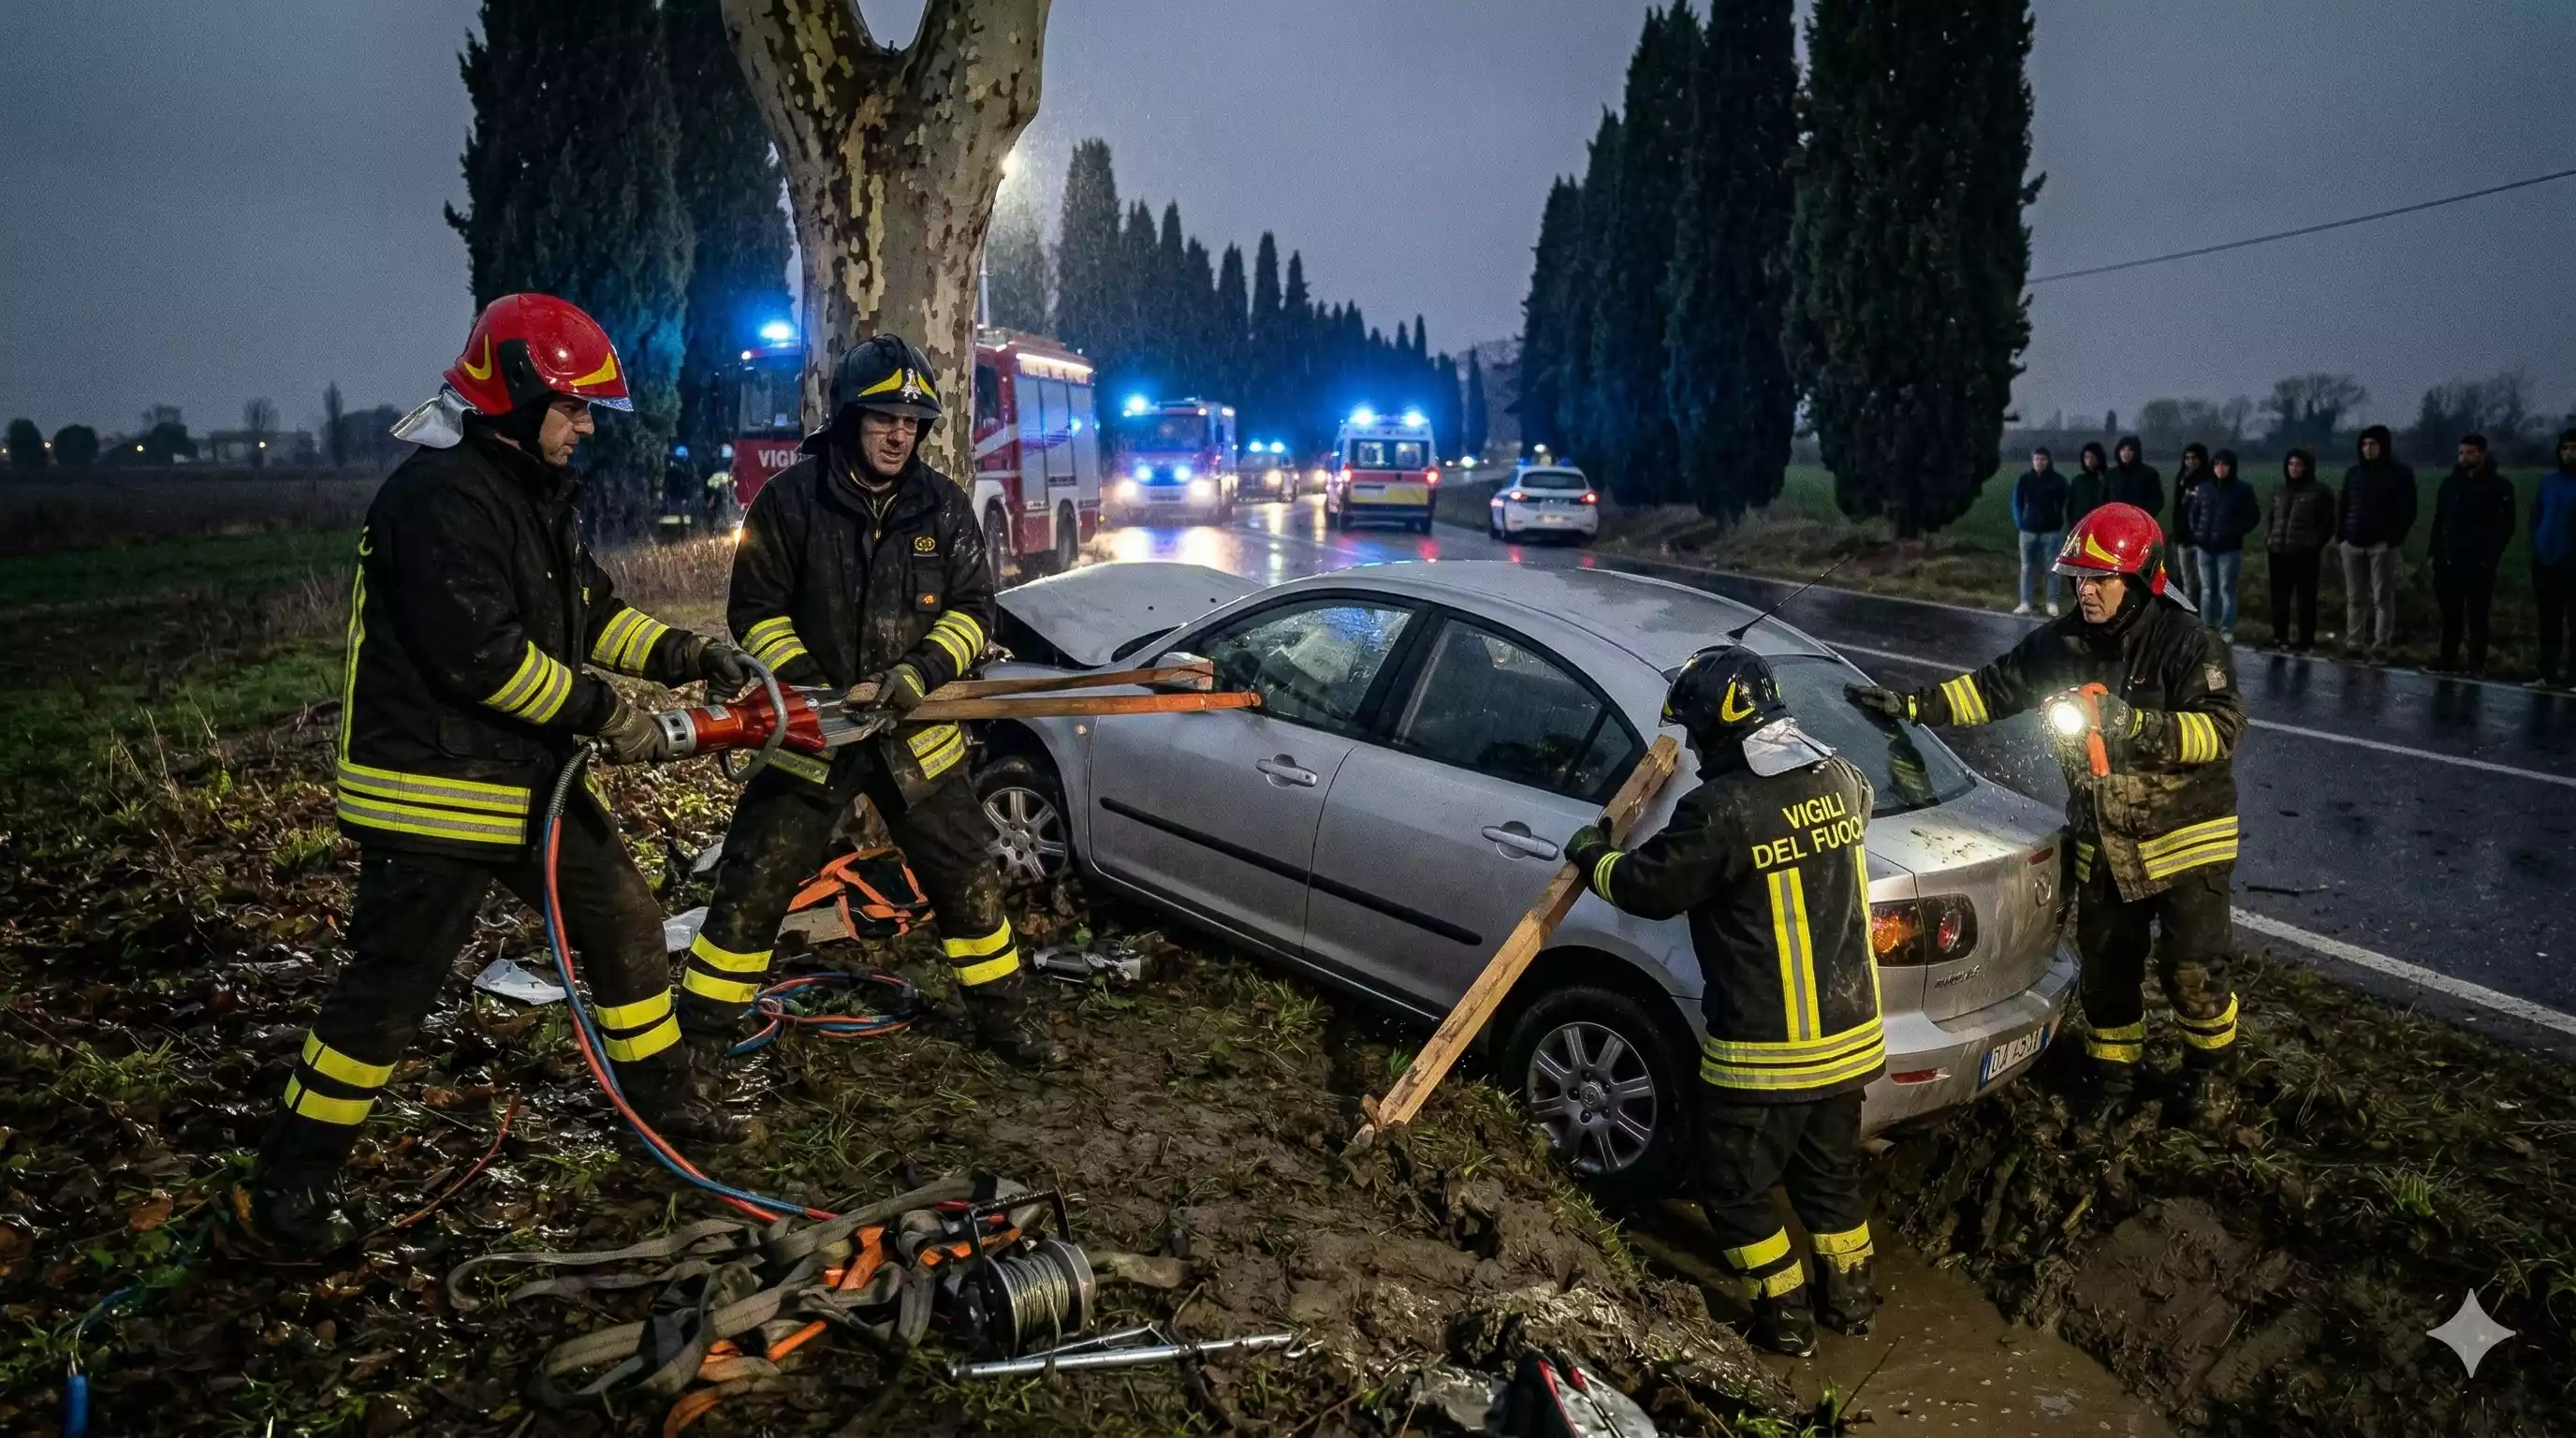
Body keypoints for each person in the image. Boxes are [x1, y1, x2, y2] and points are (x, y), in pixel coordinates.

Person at [231, 295, 754, 1259]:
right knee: (389, 993)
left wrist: (686, 656)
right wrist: (610, 716)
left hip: (521, 779)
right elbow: (485, 658)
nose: (588, 427)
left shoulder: (529, 496)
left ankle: (665, 1113)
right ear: (515, 396)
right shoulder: (435, 503)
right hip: (431, 788)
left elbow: (589, 615)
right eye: (576, 408)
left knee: (627, 919)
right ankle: (286, 1193)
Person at [679, 332, 1064, 1085]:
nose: (899, 434)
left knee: (968, 884)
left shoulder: (943, 506)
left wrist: (919, 674)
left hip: (916, 740)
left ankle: (1007, 1020)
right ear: (848, 418)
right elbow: (753, 611)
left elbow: (974, 610)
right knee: (752, 887)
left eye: (913, 422)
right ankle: (697, 1045)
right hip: (811, 738)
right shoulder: (790, 501)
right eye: (884, 417)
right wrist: (808, 689)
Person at [1847, 504, 2245, 1130]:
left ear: (2140, 579)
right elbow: (1993, 688)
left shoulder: (2187, 642)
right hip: (2105, 842)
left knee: (2190, 968)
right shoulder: (2064, 644)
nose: (2084, 590)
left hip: (2184, 840)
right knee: (2108, 970)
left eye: (2099, 580)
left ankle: (2208, 1073)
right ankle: (2115, 1075)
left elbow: (2221, 732)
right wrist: (1911, 706)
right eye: (2077, 579)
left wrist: (2134, 724)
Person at [1563, 649, 1881, 1357]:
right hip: (1851, 1041)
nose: (1698, 749)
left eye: (1700, 732)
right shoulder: (1841, 776)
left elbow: (1648, 889)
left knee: (1731, 1186)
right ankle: (1853, 1304)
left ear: (1721, 726)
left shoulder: (1723, 809)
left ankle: (1788, 1318)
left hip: (1767, 1053)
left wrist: (1593, 854)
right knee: (1829, 1181)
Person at [2427, 433, 2518, 677]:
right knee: (2450, 614)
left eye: (2469, 452)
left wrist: (2488, 558)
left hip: (2478, 561)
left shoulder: (2499, 487)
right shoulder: (2450, 484)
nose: (2463, 457)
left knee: (2477, 615)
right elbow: (2439, 521)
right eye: (2461, 453)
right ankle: (2448, 660)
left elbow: (2506, 526)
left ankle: (2476, 664)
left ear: (2482, 454)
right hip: (2449, 560)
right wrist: (2435, 553)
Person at [2337, 424, 2417, 663]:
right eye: (2364, 444)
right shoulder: (2353, 473)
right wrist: (2341, 535)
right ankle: (2354, 644)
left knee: (2382, 597)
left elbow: (2408, 510)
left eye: (2372, 444)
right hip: (2352, 543)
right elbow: (2343, 504)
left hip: (2381, 545)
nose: (2367, 449)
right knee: (2354, 597)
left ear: (2383, 446)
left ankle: (2380, 645)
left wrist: (2393, 540)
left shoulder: (2400, 474)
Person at [2263, 448, 2335, 652]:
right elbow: (2271, 517)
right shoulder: (2279, 490)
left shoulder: (2319, 491)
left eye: (2299, 465)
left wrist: (2314, 545)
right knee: (2279, 597)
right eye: (2291, 464)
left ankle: (2306, 640)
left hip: (2305, 554)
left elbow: (2328, 523)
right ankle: (2280, 637)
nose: (2294, 468)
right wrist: (2269, 539)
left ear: (2307, 467)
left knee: (2306, 598)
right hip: (2278, 551)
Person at [2184, 448, 2260, 640]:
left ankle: (2226, 628)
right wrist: (2198, 533)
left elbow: (2253, 516)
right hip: (2205, 547)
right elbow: (2194, 513)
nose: (2221, 468)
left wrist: (2235, 531)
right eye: (2217, 464)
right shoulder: (2204, 488)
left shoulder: (2242, 490)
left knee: (2227, 589)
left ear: (2232, 467)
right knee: (2208, 589)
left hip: (2229, 548)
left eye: (2225, 464)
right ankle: (2207, 625)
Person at [2530, 429, 2576, 688]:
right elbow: (2537, 515)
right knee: (2548, 621)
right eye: (2566, 448)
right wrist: (2536, 545)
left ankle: (2573, 676)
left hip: (2572, 563)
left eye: (2575, 448)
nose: (2570, 453)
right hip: (2545, 562)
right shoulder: (2549, 482)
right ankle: (2547, 673)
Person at [2012, 446, 2070, 617]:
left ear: (2049, 461)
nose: (2039, 462)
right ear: (2032, 460)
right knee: (2027, 569)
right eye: (2036, 459)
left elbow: (2065, 503)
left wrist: (2058, 519)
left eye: (2043, 459)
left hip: (2051, 533)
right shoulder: (2025, 480)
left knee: (2052, 569)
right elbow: (2017, 502)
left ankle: (2051, 603)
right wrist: (2020, 522)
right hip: (2027, 532)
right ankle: (2025, 603)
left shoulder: (2059, 481)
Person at [2168, 444, 2211, 606]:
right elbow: (2177, 507)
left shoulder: (2208, 480)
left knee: (2202, 581)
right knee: (2186, 580)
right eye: (2187, 458)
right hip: (2183, 536)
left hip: (2200, 539)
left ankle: (2203, 615)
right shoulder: (2181, 478)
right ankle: (2189, 614)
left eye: (2194, 458)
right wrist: (2177, 531)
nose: (2190, 462)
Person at [2107, 435, 2163, 521]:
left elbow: (2157, 500)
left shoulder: (2150, 474)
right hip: (2115, 522)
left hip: (2140, 522)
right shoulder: (2110, 474)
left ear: (2136, 452)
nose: (2126, 453)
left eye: (2130, 450)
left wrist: (2144, 516)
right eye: (2123, 450)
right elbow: (2103, 499)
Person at [2067, 441, 2111, 530]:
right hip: (2081, 526)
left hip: (2101, 527)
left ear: (2099, 459)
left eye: (2092, 457)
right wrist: (2073, 524)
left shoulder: (2107, 479)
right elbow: (2070, 506)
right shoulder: (2078, 480)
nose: (2089, 460)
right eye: (2087, 457)